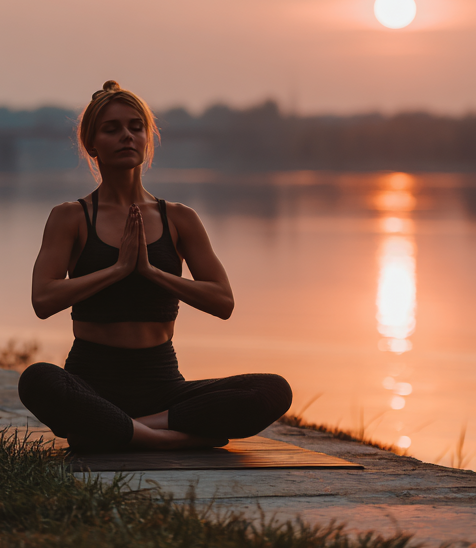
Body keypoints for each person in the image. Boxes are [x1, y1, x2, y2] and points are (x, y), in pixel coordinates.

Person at [18, 81, 292, 452]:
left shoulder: (179, 218)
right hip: (91, 381)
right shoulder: (71, 217)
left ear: (148, 138)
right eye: (112, 129)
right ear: (92, 144)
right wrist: (116, 271)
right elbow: (43, 299)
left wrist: (152, 273)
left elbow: (223, 301)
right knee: (37, 379)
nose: (127, 136)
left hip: (163, 386)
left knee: (271, 390)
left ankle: (125, 430)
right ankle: (169, 438)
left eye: (136, 127)